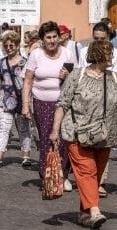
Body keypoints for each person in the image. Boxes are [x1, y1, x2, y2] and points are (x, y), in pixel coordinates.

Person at [50, 40, 117, 228]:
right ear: (98, 54)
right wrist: (55, 130)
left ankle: (85, 214)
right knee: (87, 171)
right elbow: (62, 104)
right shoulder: (78, 75)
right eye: (108, 52)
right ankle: (94, 210)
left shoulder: (115, 78)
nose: (112, 56)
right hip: (77, 133)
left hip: (105, 135)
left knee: (96, 175)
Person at [22, 21, 76, 191]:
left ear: (59, 38)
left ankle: (63, 175)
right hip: (41, 102)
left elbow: (77, 77)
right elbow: (28, 80)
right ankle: (48, 174)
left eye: (54, 37)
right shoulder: (36, 55)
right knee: (47, 138)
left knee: (63, 138)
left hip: (64, 102)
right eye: (48, 37)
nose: (52, 41)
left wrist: (68, 75)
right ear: (42, 39)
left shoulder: (67, 53)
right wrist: (25, 104)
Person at [77, 22, 117, 192]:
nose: (99, 42)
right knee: (87, 141)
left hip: (108, 101)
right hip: (88, 101)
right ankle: (89, 176)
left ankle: (100, 181)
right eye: (96, 38)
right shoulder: (84, 51)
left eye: (102, 39)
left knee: (104, 141)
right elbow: (80, 72)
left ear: (108, 37)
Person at [0, 30, 32, 167]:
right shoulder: (1, 63)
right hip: (6, 99)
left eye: (11, 45)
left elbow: (30, 83)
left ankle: (26, 156)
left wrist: (28, 101)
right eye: (6, 46)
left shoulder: (26, 63)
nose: (8, 48)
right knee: (4, 128)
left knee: (23, 129)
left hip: (21, 99)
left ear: (17, 45)